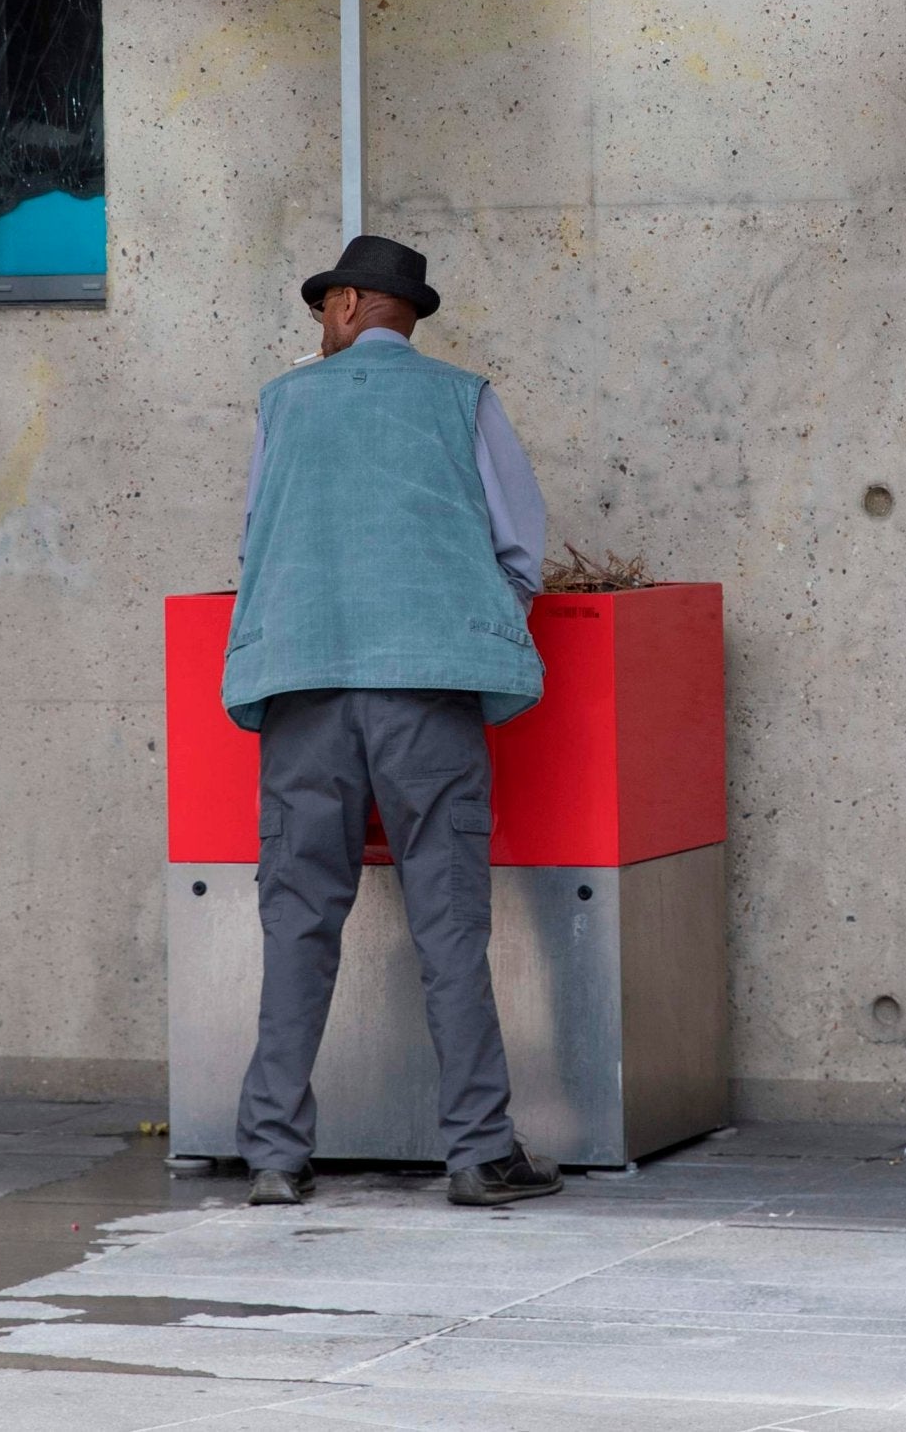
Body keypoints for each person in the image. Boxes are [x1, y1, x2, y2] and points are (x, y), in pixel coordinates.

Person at [224, 234, 564, 1209]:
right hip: (427, 689)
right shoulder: (466, 399)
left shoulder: (282, 405)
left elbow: (257, 542)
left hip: (302, 686)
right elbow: (519, 553)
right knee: (450, 926)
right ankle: (475, 1152)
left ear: (342, 307)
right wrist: (453, 628)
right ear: (403, 316)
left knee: (296, 923)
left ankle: (276, 1157)